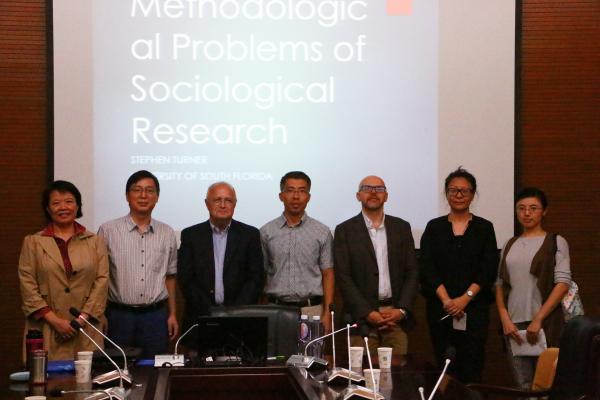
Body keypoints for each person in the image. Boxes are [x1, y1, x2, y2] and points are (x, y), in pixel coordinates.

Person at [419, 168, 498, 383]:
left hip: (475, 310)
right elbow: (427, 267)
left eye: (465, 190)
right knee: (444, 368)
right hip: (441, 310)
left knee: (472, 368)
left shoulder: (484, 228)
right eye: (453, 190)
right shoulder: (434, 227)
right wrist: (446, 300)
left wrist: (465, 298)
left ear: (473, 194)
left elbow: (488, 268)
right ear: (446, 194)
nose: (459, 195)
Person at [18, 180, 109, 360]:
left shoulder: (95, 241)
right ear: (47, 208)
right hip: (46, 327)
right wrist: (55, 320)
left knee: (88, 374)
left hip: (86, 327)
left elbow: (102, 280)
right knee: (46, 376)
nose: (63, 207)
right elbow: (27, 284)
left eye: (69, 201)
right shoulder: (33, 242)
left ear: (78, 206)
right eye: (56, 203)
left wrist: (81, 320)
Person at [496, 187, 571, 390]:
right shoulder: (509, 244)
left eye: (533, 208)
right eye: (521, 208)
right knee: (523, 386)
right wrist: (504, 319)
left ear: (544, 211)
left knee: (546, 386)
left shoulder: (555, 241)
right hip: (513, 327)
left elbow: (563, 284)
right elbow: (500, 285)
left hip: (546, 324)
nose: (526, 213)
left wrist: (538, 319)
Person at [98, 170, 178, 358]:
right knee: (119, 368)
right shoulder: (108, 231)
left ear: (157, 197)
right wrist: (100, 314)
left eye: (149, 191)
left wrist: (172, 314)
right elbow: (99, 277)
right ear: (127, 196)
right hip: (119, 315)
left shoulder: (167, 232)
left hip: (155, 316)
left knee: (156, 368)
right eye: (137, 190)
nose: (143, 195)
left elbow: (170, 277)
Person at [334, 175, 418, 355]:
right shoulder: (344, 230)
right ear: (358, 196)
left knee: (397, 370)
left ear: (386, 196)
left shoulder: (402, 227)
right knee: (362, 370)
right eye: (367, 188)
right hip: (360, 317)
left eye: (379, 189)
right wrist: (367, 313)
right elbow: (343, 276)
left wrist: (402, 310)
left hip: (395, 315)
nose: (373, 192)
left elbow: (412, 272)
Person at [177, 182, 264, 348]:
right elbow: (186, 279)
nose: (223, 205)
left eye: (228, 200)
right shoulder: (191, 235)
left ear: (235, 204)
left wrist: (233, 312)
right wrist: (211, 312)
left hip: (240, 319)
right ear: (206, 203)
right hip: (200, 319)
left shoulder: (250, 235)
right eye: (217, 200)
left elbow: (256, 278)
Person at [261, 171, 334, 333]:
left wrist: (327, 313)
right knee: (277, 350)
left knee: (311, 350)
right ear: (281, 196)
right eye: (290, 190)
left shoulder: (322, 231)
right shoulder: (266, 232)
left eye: (302, 191)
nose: (296, 196)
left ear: (308, 197)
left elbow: (328, 274)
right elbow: (262, 274)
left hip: (312, 310)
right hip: (275, 309)